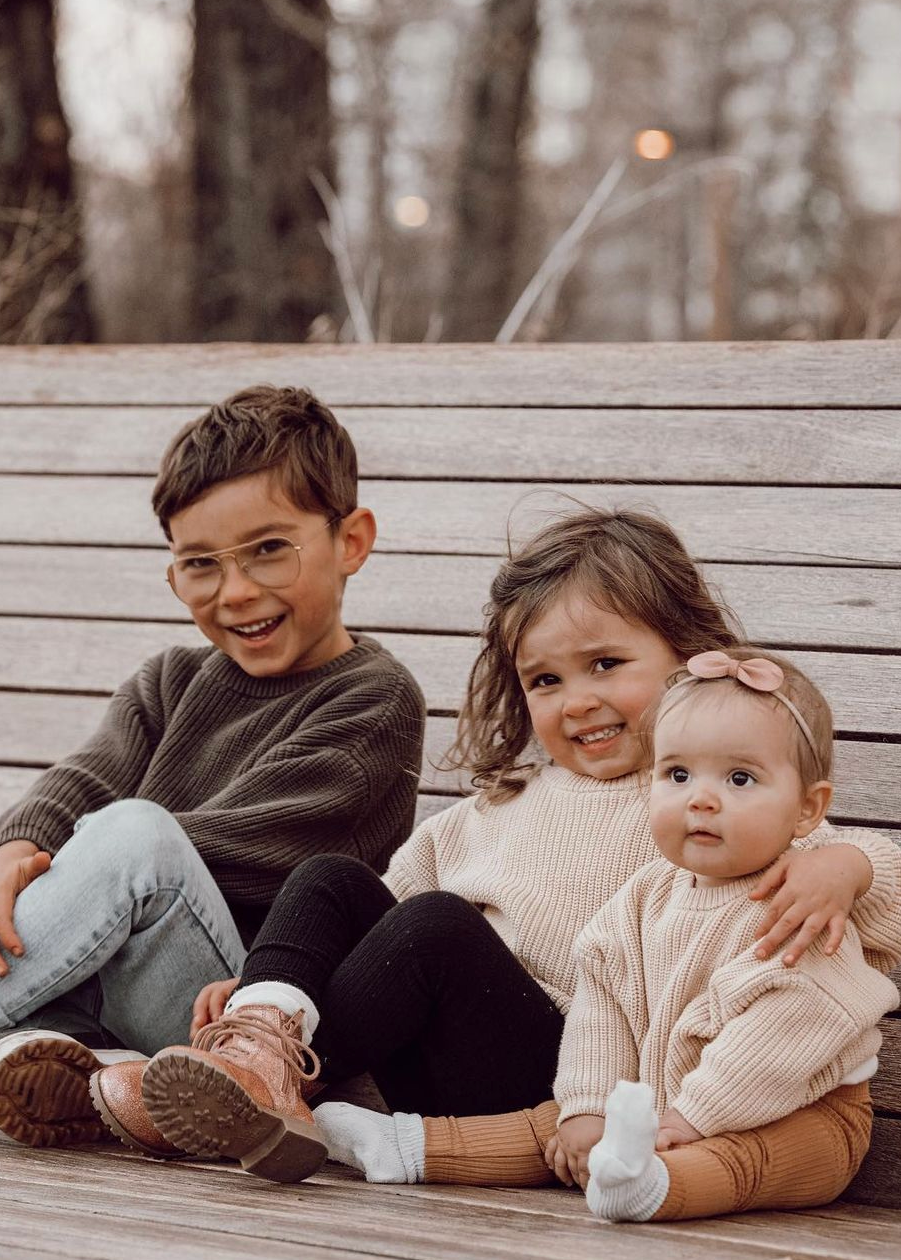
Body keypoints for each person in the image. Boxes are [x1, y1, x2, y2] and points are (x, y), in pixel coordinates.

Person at [134, 509, 899, 1183]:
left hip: (573, 1085)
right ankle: (258, 1041)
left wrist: (848, 866)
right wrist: (278, 983)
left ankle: (248, 1088)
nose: (578, 701)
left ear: (685, 654)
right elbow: (375, 941)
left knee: (436, 927)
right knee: (329, 880)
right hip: (434, 1063)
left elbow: (877, 902)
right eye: (544, 681)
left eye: (605, 664)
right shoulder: (493, 809)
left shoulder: (713, 807)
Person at [0, 385, 426, 1150]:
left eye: (269, 549)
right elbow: (83, 777)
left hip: (238, 1014)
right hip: (110, 984)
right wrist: (18, 846)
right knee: (93, 862)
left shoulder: (374, 701)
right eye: (200, 564)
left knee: (138, 839)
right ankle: (92, 1075)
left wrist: (76, 867)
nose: (236, 592)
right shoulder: (170, 680)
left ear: (351, 542)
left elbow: (227, 852)